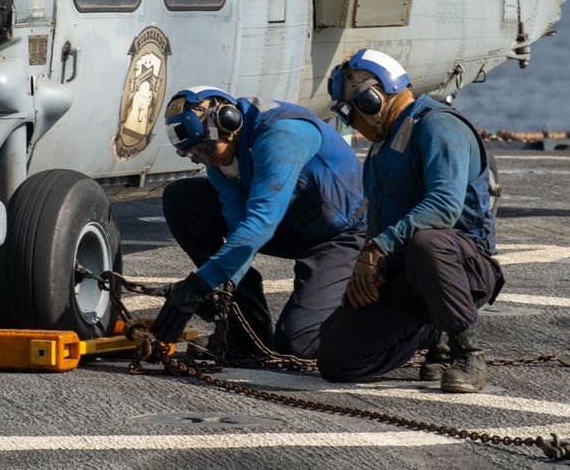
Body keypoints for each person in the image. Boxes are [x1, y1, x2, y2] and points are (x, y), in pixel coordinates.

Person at [317, 49, 504, 393]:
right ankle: (432, 329)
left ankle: (467, 352)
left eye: (350, 110)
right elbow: (378, 223)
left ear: (371, 99)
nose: (350, 122)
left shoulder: (438, 126)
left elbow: (444, 206)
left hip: (461, 268)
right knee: (335, 357)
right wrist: (368, 274)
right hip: (407, 270)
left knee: (426, 243)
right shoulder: (381, 145)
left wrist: (378, 248)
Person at [152, 86, 366, 359]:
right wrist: (225, 285)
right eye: (196, 155)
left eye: (205, 148)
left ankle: (412, 327)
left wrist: (200, 283)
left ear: (227, 121)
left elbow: (262, 220)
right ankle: (246, 330)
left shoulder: (280, 136)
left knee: (299, 343)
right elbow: (238, 224)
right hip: (288, 225)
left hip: (338, 236)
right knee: (181, 198)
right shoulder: (220, 161)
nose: (206, 159)